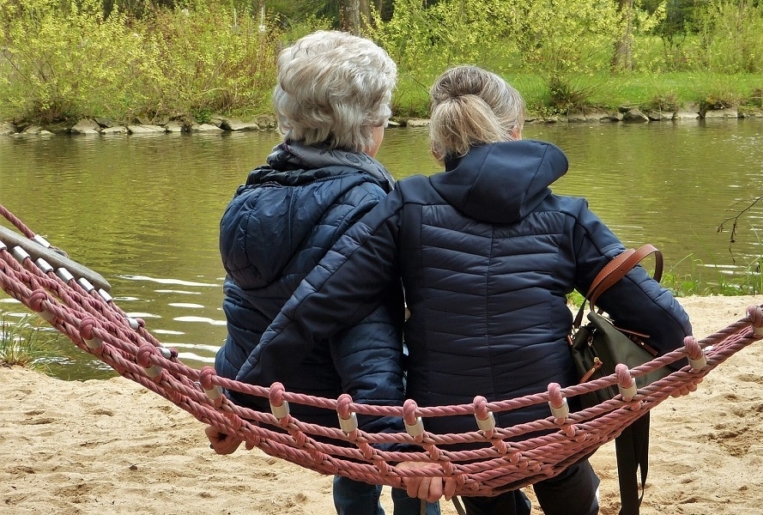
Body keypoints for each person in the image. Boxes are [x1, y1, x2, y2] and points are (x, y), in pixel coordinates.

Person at [240, 65, 693, 515]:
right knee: (562, 458)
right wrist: (684, 357)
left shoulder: (405, 204)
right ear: (515, 131)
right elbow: (656, 314)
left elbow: (318, 303)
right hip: (550, 421)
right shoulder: (567, 215)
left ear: (438, 146)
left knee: (479, 482)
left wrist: (243, 396)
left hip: (454, 435)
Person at [202, 30, 437, 515]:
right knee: (438, 381)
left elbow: (245, 311)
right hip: (347, 411)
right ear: (371, 125)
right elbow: (368, 344)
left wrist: (232, 399)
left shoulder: (248, 197)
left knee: (356, 464)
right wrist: (395, 448)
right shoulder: (372, 207)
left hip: (277, 401)